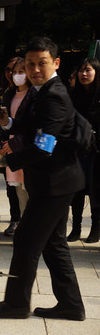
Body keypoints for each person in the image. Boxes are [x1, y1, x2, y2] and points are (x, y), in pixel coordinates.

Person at [0, 36, 86, 321]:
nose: (35, 69)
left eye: (42, 63)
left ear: (56, 63)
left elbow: (44, 146)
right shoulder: (41, 91)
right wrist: (9, 123)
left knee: (26, 241)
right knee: (53, 244)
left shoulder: (54, 95)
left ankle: (15, 304)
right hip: (54, 180)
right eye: (30, 64)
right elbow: (30, 128)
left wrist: (4, 160)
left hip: (55, 183)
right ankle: (71, 305)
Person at [0, 58, 33, 236]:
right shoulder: (9, 94)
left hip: (26, 147)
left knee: (30, 189)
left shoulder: (34, 95)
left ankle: (31, 229)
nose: (17, 75)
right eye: (15, 72)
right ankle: (23, 226)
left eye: (21, 71)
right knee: (18, 190)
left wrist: (15, 143)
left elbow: (30, 127)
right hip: (10, 146)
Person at [67, 58, 100, 243]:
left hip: (96, 150)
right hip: (77, 149)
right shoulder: (72, 95)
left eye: (88, 70)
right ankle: (76, 228)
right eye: (81, 70)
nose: (84, 74)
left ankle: (96, 228)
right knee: (76, 190)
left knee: (95, 190)